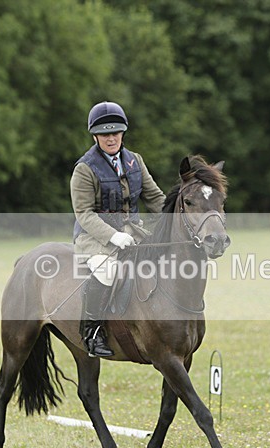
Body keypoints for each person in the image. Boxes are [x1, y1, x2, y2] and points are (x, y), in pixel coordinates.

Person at [71, 101, 166, 357]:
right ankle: (91, 332)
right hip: (95, 238)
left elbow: (155, 198)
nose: (111, 138)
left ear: (123, 132)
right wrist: (113, 236)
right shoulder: (84, 169)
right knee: (108, 271)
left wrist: (177, 220)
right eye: (105, 134)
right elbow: (84, 214)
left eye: (115, 132)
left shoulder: (135, 161)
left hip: (133, 233)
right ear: (95, 136)